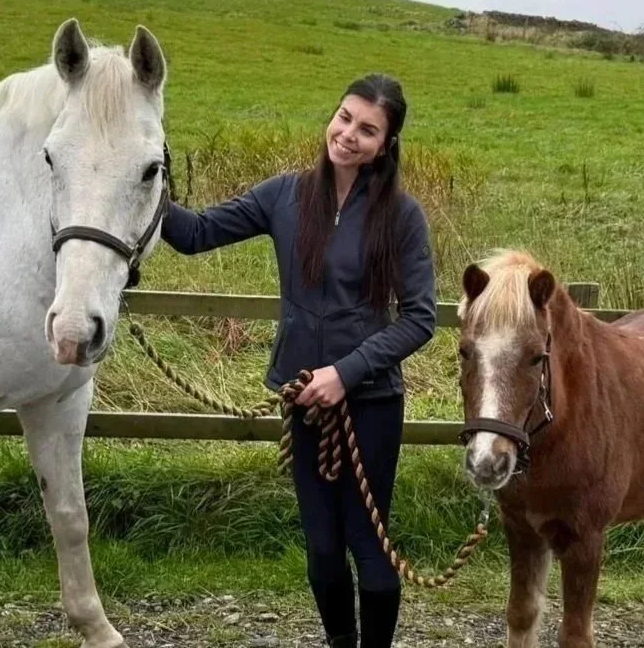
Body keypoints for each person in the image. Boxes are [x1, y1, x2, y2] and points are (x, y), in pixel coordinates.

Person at [161, 73, 437, 648]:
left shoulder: (401, 217)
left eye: (367, 129)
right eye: (344, 118)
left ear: (386, 144)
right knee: (321, 547)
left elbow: (419, 318)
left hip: (370, 404)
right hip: (304, 399)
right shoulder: (285, 195)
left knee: (368, 544)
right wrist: (141, 176)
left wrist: (346, 373)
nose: (348, 135)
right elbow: (195, 234)